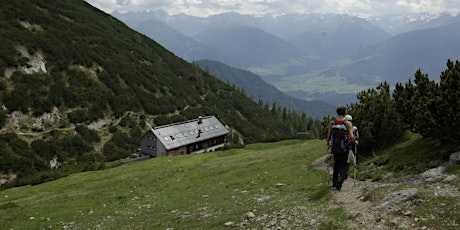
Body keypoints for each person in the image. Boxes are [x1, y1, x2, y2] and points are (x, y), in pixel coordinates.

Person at [326, 106, 358, 190]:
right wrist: (355, 142)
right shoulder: (347, 123)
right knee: (344, 165)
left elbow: (329, 135)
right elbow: (351, 136)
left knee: (336, 164)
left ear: (337, 112)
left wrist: (328, 143)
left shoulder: (332, 123)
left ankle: (334, 182)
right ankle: (340, 179)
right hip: (344, 148)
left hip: (335, 147)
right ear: (345, 113)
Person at [344, 114, 359, 180]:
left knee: (345, 159)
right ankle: (354, 167)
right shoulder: (354, 128)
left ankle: (345, 172)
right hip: (352, 145)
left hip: (344, 145)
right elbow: (357, 136)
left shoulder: (343, 128)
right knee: (352, 157)